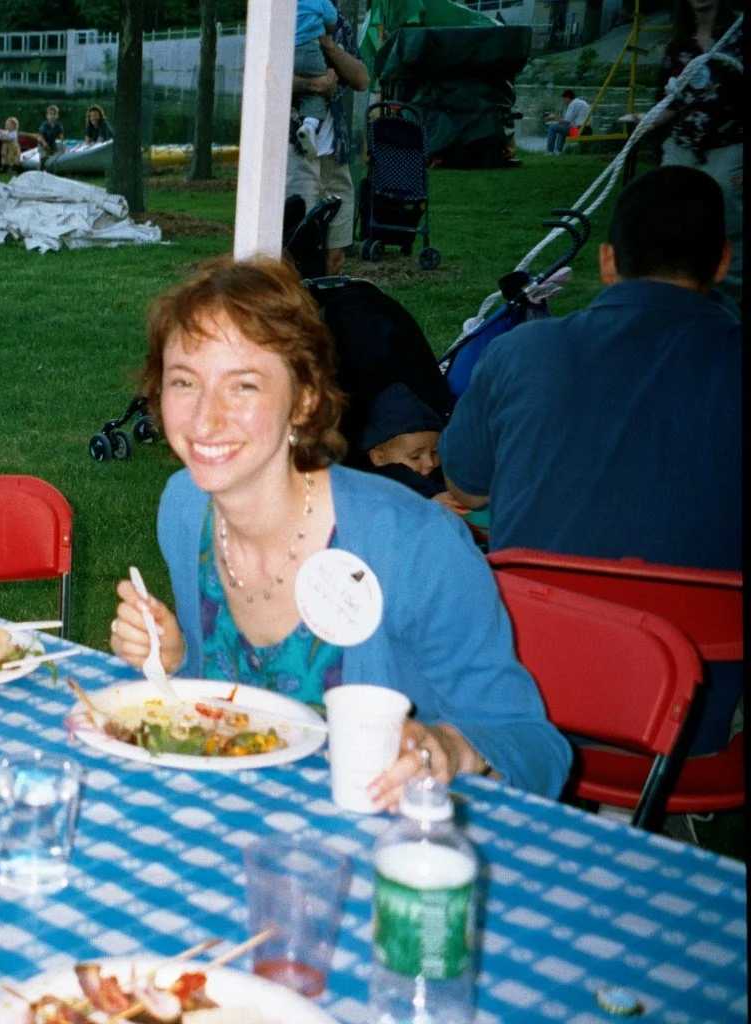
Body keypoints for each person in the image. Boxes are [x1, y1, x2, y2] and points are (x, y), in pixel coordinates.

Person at [109, 255, 572, 809]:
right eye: (184, 382)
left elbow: (539, 752)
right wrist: (177, 658)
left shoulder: (412, 544)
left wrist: (447, 749)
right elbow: (222, 714)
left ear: (304, 400)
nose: (206, 418)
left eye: (244, 387)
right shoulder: (186, 509)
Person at [440, 165, 741, 755]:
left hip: (529, 703)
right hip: (692, 734)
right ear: (722, 263)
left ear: (607, 262)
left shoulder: (520, 351)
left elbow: (465, 485)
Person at [657, 0, 742, 298]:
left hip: (728, 148)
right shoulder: (678, 46)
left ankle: (726, 304)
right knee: (670, 222)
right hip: (681, 147)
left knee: (727, 226)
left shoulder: (739, 37)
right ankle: (676, 294)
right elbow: (671, 102)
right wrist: (648, 119)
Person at [288, 11, 368, 276]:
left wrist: (328, 44)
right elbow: (260, 76)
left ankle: (322, 313)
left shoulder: (338, 21)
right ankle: (290, 313)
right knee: (293, 252)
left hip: (335, 154)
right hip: (296, 152)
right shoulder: (280, 18)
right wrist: (314, 84)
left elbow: (362, 78)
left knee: (335, 256)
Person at [357, 382, 456, 506]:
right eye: (415, 457)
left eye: (434, 452)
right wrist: (429, 508)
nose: (430, 463)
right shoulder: (371, 491)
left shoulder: (432, 483)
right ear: (379, 458)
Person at [291, 0, 338, 158]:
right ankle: (309, 125)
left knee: (304, 89)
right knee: (320, 88)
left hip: (287, 50)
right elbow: (332, 22)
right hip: (310, 50)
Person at [545, 88, 590, 154]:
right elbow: (567, 122)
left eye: (563, 99)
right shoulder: (580, 102)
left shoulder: (573, 104)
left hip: (578, 132)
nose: (563, 101)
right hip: (587, 130)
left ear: (567, 98)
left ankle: (549, 152)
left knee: (552, 128)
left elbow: (566, 121)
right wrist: (560, 121)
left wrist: (554, 117)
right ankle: (558, 152)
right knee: (562, 129)